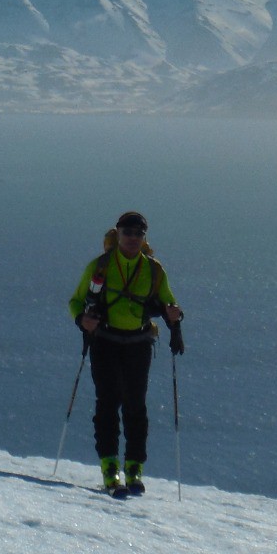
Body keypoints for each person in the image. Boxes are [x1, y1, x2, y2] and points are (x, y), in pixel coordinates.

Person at [68, 210, 184, 495]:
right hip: (105, 340)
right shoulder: (100, 266)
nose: (132, 238)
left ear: (144, 238)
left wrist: (175, 316)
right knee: (108, 403)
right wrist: (81, 320)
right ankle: (110, 467)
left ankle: (133, 468)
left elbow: (170, 304)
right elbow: (75, 301)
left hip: (137, 343)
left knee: (135, 405)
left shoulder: (155, 270)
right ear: (117, 234)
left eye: (138, 234)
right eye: (127, 233)